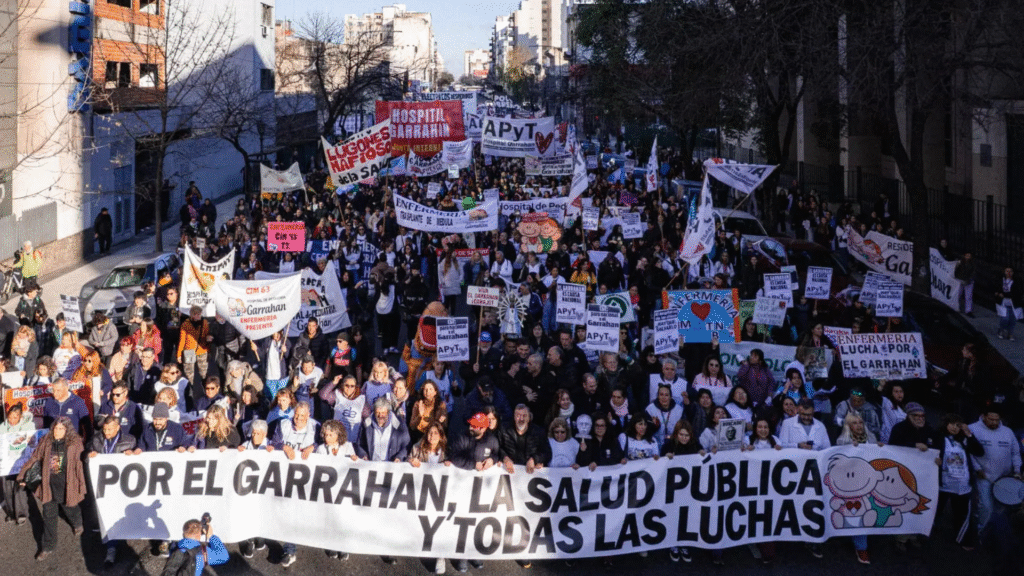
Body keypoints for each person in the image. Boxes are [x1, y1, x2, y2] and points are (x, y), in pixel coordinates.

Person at [17, 417, 85, 561]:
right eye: (55, 428)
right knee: (49, 516)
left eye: (61, 429)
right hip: (48, 485)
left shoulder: (75, 444)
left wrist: (81, 483)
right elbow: (35, 458)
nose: (57, 431)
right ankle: (48, 546)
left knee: (70, 507)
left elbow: (81, 463)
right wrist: (23, 476)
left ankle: (77, 523)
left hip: (67, 485)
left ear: (67, 430)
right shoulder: (46, 441)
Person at [447, 412, 500, 573]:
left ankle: (474, 553)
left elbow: (496, 453)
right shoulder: (461, 437)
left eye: (475, 426)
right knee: (464, 520)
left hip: (481, 489)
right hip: (462, 487)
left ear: (483, 429)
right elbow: (454, 457)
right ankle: (461, 556)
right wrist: (472, 464)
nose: (471, 427)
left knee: (479, 520)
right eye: (471, 424)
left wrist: (493, 460)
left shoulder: (492, 440)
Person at [88, 415, 138, 565]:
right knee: (108, 515)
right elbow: (86, 453)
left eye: (110, 429)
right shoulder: (97, 439)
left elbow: (140, 459)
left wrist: (133, 454)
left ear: (118, 428)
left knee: (122, 513)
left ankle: (125, 537)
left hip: (123, 484)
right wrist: (89, 455)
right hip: (105, 484)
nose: (106, 432)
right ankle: (111, 548)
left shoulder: (129, 441)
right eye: (104, 429)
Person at [968, 407, 1022, 537]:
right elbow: (969, 451)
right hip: (984, 476)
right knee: (986, 506)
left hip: (1004, 477)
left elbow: (1015, 453)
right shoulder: (973, 429)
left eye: (997, 420)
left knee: (1001, 508)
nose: (994, 422)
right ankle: (982, 532)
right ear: (984, 416)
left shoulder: (1008, 432)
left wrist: (1017, 470)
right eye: (991, 419)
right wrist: (977, 468)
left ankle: (995, 534)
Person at [936, 413, 983, 551]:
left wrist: (969, 435)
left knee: (961, 515)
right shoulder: (938, 437)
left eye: (958, 425)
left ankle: (963, 540)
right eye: (952, 424)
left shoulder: (963, 440)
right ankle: (924, 534)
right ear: (945, 424)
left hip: (962, 485)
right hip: (942, 484)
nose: (954, 428)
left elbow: (979, 452)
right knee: (934, 511)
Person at [1, 404, 36, 524]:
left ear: (20, 417)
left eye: (15, 417)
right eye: (10, 417)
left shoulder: (28, 426)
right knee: (7, 489)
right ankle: (11, 513)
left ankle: (21, 514)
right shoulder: (2, 427)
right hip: (7, 464)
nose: (12, 420)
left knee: (19, 489)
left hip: (21, 463)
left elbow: (33, 442)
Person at [161, 517, 229, 576]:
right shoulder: (203, 553)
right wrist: (211, 536)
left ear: (183, 533)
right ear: (199, 535)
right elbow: (224, 556)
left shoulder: (175, 547)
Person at [177, 305, 210, 391]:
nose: (198, 316)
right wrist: (179, 355)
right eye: (195, 314)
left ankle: (205, 387)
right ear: (191, 315)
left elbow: (206, 335)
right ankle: (191, 388)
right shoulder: (186, 324)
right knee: (189, 372)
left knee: (203, 371)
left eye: (199, 314)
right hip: (189, 351)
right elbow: (182, 340)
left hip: (201, 349)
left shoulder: (204, 322)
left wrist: (208, 344)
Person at [994, 266, 1021, 340]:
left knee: (1012, 319)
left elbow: (1016, 292)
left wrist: (1005, 294)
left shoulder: (1016, 281)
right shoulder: (1001, 280)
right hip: (1003, 302)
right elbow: (996, 287)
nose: (1009, 273)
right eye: (1007, 271)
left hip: (1013, 303)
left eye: (1010, 271)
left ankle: (1010, 334)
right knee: (1005, 318)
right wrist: (998, 293)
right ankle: (1001, 330)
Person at [954, 251, 976, 316]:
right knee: (958, 294)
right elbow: (956, 270)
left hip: (968, 280)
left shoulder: (972, 263)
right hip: (960, 279)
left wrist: (969, 279)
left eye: (969, 256)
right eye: (967, 255)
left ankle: (968, 310)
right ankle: (956, 308)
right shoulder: (960, 262)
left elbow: (973, 272)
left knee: (968, 296)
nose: (968, 257)